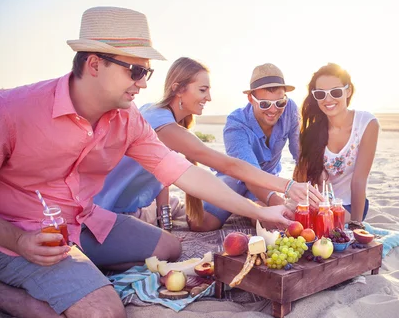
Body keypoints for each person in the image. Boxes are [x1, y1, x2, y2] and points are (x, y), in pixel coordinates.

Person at [0, 6, 293, 318]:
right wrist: (20, 241)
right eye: (135, 71)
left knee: (169, 248)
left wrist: (260, 210)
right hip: (19, 236)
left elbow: (181, 172)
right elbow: (222, 164)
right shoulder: (11, 110)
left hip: (83, 220)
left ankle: (83, 272)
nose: (142, 83)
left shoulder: (128, 119)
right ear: (94, 63)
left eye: (146, 74)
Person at [94, 57, 320, 231]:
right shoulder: (159, 119)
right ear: (178, 88)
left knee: (167, 242)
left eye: (279, 103)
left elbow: (161, 175)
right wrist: (287, 187)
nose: (209, 98)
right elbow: (229, 166)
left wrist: (165, 222)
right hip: (106, 206)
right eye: (203, 90)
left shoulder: (169, 119)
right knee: (170, 247)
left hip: (126, 205)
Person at [202, 63, 307, 231]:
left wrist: (308, 196)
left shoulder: (290, 109)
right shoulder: (235, 125)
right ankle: (240, 204)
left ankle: (247, 209)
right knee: (204, 224)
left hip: (269, 180)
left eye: (280, 102)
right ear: (251, 99)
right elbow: (248, 174)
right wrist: (280, 203)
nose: (273, 110)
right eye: (265, 104)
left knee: (269, 223)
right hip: (237, 179)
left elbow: (301, 155)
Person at [294, 63, 379, 223]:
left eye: (335, 92)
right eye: (320, 94)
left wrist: (356, 223)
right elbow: (300, 179)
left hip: (348, 206)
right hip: (317, 205)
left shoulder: (366, 123)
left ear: (348, 91)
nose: (328, 99)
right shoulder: (311, 132)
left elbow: (359, 180)